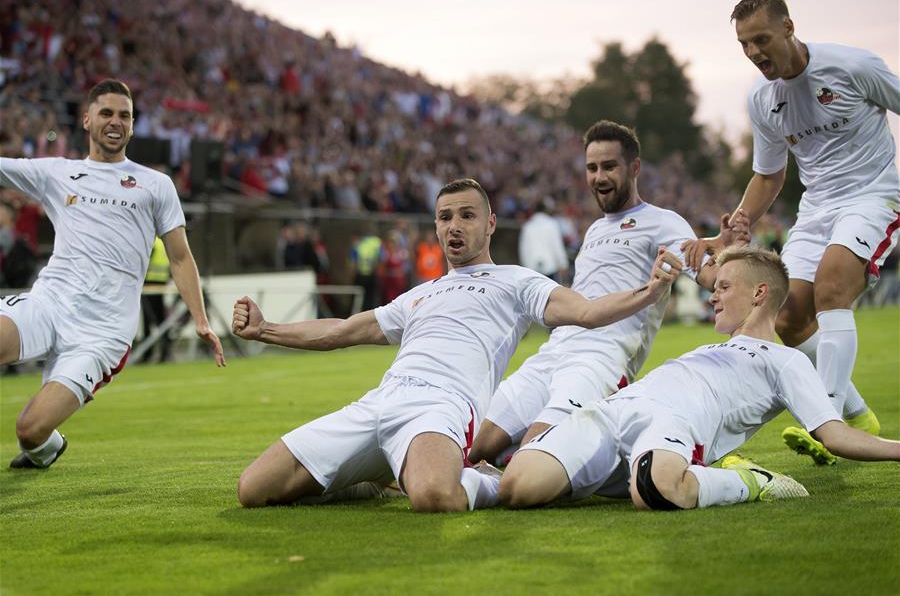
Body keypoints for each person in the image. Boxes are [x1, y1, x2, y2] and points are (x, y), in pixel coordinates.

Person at [231, 178, 681, 512]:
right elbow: (343, 330)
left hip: (441, 407)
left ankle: (487, 479)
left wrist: (651, 291)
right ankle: (364, 480)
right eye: (445, 217)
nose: (454, 226)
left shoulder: (517, 281)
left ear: (489, 224)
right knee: (253, 489)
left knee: (432, 497)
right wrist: (265, 329)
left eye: (466, 215)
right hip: (381, 400)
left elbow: (585, 312)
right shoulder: (420, 293)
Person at [499, 246, 900, 513]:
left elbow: (835, 434)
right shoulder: (707, 349)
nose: (713, 296)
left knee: (657, 490)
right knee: (517, 487)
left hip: (675, 424)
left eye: (724, 287)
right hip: (614, 412)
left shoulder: (787, 361)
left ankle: (752, 481)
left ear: (759, 294)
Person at [684, 0, 899, 466]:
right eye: (744, 44)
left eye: (761, 38)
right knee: (787, 317)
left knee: (832, 287)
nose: (754, 52)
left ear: (788, 27)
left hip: (872, 197)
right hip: (817, 209)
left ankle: (830, 420)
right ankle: (860, 417)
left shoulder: (853, 66)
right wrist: (730, 230)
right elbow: (769, 174)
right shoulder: (763, 100)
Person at [468, 121, 748, 466]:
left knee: (531, 457)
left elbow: (707, 274)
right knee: (472, 448)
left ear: (635, 168)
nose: (599, 177)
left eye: (609, 166)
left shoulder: (663, 221)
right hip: (553, 352)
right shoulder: (595, 230)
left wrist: (728, 253)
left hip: (599, 360)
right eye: (592, 168)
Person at [0, 78, 225, 470]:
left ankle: (46, 448)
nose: (115, 121)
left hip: (102, 333)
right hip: (49, 303)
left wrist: (201, 321)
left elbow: (180, 258)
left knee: (30, 431)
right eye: (106, 113)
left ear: (133, 125)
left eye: (125, 115)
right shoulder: (58, 172)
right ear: (86, 120)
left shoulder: (156, 185)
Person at [518, 197, 569, 284]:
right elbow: (556, 246)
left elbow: (524, 250)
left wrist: (525, 268)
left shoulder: (527, 226)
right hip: (550, 269)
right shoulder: (552, 224)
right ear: (546, 210)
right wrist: (563, 264)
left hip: (532, 269)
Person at [140, 236, 173, 363]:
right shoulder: (163, 243)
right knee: (161, 321)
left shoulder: (151, 242)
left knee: (148, 322)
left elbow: (144, 262)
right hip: (161, 284)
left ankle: (147, 354)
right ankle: (165, 353)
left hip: (149, 284)